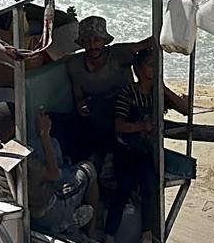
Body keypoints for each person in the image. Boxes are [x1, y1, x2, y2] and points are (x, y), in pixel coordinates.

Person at [105, 48, 189, 243]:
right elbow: (119, 125)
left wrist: (164, 88)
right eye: (151, 65)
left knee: (150, 189)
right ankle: (109, 238)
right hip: (125, 149)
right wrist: (141, 126)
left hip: (146, 152)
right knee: (124, 186)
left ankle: (147, 242)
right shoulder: (128, 93)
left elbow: (186, 109)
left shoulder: (156, 95)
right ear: (139, 70)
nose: (155, 69)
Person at [0, 102, 98, 237]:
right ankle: (87, 230)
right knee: (88, 169)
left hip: (3, 197)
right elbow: (54, 174)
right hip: (45, 212)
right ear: (14, 128)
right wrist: (44, 135)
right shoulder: (17, 158)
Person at [65, 16, 153, 165]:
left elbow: (148, 44)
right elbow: (78, 96)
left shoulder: (119, 53)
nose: (93, 45)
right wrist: (81, 106)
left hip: (127, 109)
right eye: (88, 40)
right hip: (97, 113)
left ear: (104, 41)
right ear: (83, 43)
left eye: (97, 40)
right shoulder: (75, 65)